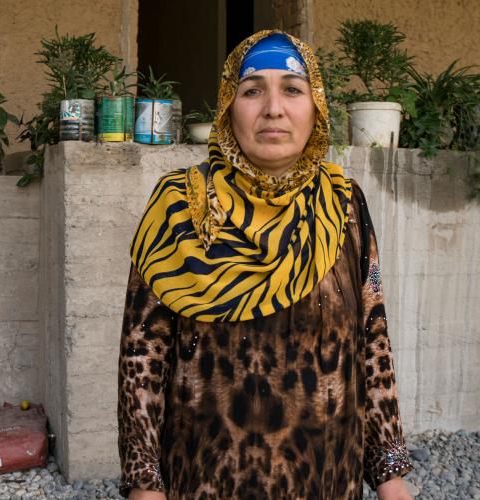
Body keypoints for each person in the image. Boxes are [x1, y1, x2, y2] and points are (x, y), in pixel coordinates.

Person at [117, 30, 414, 500]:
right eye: (252, 90)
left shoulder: (343, 205)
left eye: (292, 90)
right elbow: (142, 359)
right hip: (205, 478)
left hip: (325, 475)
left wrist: (389, 473)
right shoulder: (179, 206)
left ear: (315, 107)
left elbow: (372, 339)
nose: (273, 108)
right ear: (227, 107)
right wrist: (144, 483)